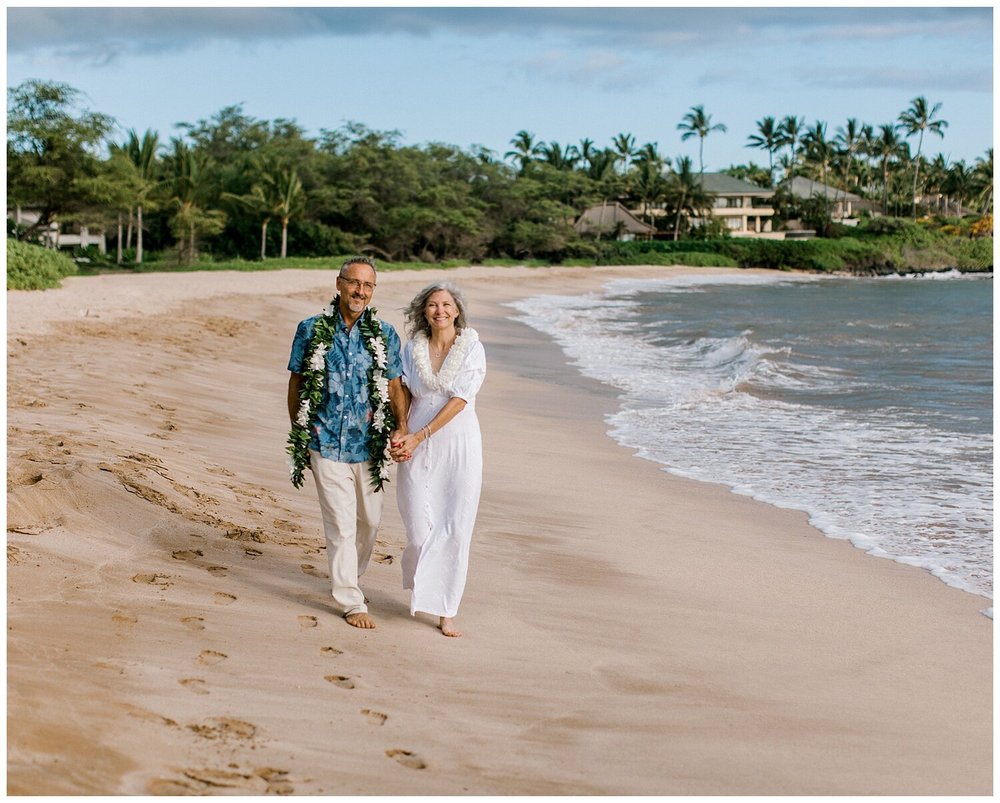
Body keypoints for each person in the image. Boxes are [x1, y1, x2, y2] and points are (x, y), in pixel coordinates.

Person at [286, 256, 407, 629]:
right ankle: (351, 600)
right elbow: (296, 384)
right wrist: (300, 434)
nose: (360, 291)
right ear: (338, 284)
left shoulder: (385, 335)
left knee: (369, 521)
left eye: (368, 285)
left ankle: (349, 576)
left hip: (369, 445)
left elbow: (394, 386)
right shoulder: (311, 329)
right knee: (340, 523)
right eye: (354, 283)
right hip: (324, 440)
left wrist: (400, 428)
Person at [390, 282, 486, 637]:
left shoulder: (472, 348)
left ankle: (446, 609)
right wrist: (402, 430)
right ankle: (423, 585)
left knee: (456, 526)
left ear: (457, 311)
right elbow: (398, 386)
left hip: (459, 445)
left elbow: (460, 400)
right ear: (423, 311)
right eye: (432, 305)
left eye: (446, 304)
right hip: (415, 444)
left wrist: (420, 434)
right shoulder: (412, 348)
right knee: (418, 529)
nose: (440, 310)